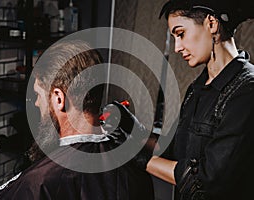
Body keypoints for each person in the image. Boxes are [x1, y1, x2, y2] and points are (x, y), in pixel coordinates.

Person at [107, 0, 254, 199]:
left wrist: (139, 158)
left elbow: (205, 180)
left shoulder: (246, 91)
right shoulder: (198, 89)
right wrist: (135, 130)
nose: (177, 47)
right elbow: (174, 151)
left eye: (181, 34)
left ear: (211, 24)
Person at [0, 40, 154, 200]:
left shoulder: (39, 181)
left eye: (38, 95)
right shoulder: (134, 168)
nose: (36, 103)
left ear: (58, 98)